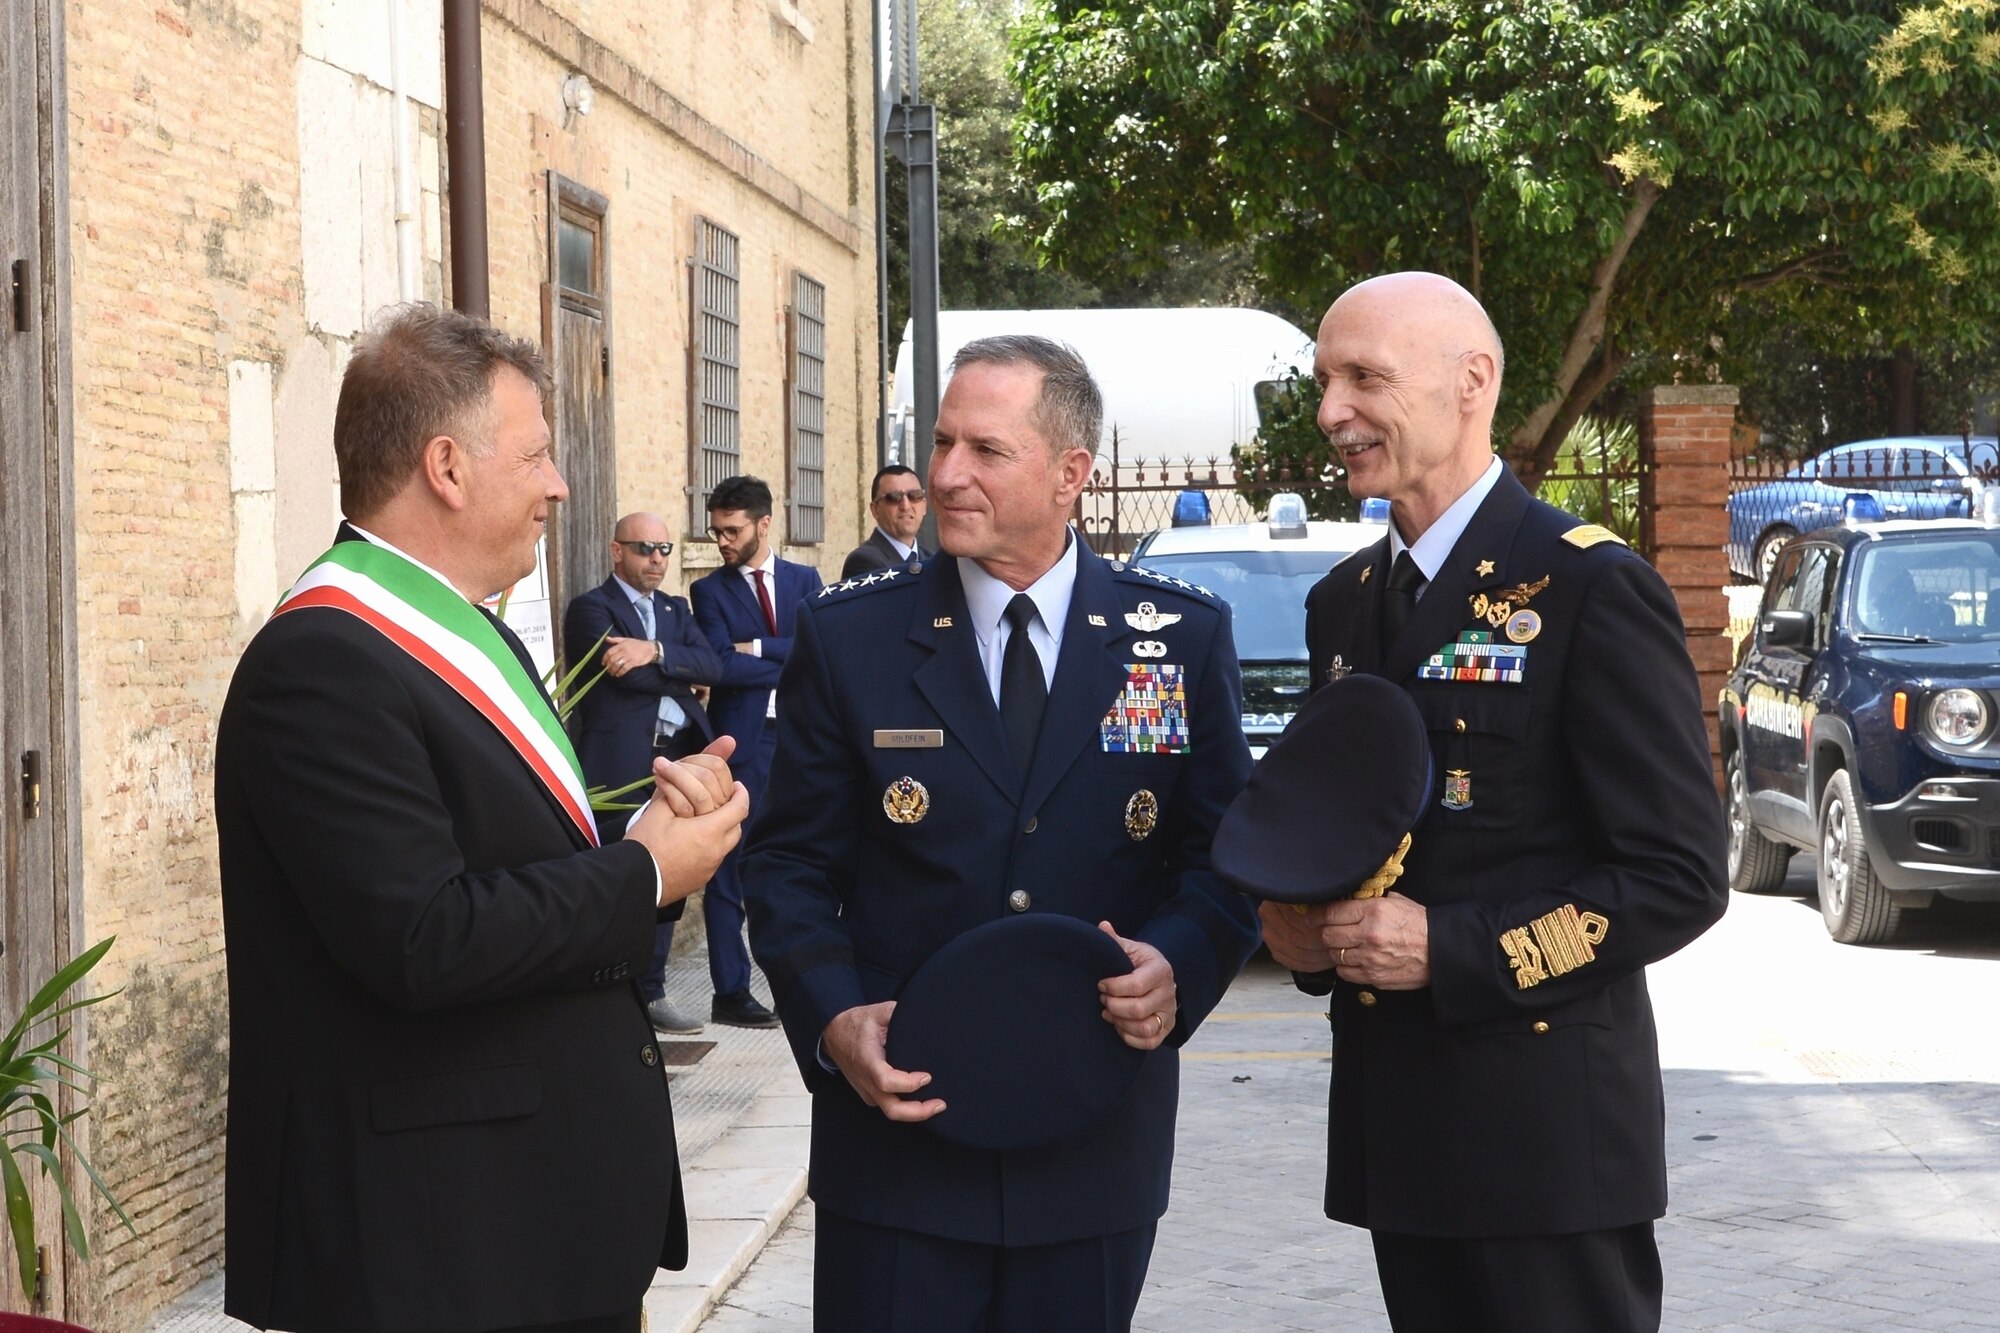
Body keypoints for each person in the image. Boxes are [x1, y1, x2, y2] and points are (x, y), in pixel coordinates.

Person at [214, 304, 749, 1333]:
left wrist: (647, 831)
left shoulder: (464, 631)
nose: (558, 484)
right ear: (447, 468)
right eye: (539, 455)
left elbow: (510, 857)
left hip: (528, 1222)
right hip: (440, 1247)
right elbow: (421, 937)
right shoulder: (322, 661)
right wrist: (643, 876)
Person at [742, 335, 1261, 1331]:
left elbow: (1220, 856)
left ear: (1071, 473)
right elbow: (789, 863)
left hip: (1089, 1134)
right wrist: (832, 1015)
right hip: (899, 1144)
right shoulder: (849, 637)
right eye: (941, 443)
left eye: (984, 449)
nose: (943, 475)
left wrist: (1179, 966)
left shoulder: (1176, 638)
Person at [1254, 272, 1728, 1333]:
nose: (1331, 411)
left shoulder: (1587, 587)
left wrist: (1452, 948)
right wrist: (1294, 926)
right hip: (1402, 1138)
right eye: (1324, 381)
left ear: (1471, 383)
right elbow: (1348, 828)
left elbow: (1677, 877)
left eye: (1363, 377)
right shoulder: (1344, 601)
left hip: (1545, 1145)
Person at [563, 511, 724, 1035]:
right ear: (617, 552)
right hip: (620, 764)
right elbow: (620, 678)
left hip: (677, 754)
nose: (657, 559)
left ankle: (652, 990)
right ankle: (611, 988)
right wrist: (680, 671)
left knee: (670, 873)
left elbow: (714, 666)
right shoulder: (591, 608)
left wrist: (652, 651)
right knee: (623, 867)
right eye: (644, 548)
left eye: (664, 549)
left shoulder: (675, 609)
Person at [688, 474, 824, 1028]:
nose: (721, 541)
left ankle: (808, 978)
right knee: (728, 869)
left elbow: (819, 650)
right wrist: (779, 655)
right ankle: (730, 991)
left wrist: (761, 648)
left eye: (731, 530)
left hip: (799, 739)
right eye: (716, 531)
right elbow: (721, 665)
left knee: (799, 859)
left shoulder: (804, 578)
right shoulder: (708, 591)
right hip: (741, 743)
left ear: (764, 524)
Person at [840, 462, 930, 578]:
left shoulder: (933, 559)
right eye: (893, 498)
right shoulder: (863, 561)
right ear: (875, 510)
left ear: (924, 506)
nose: (906, 506)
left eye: (914, 495)